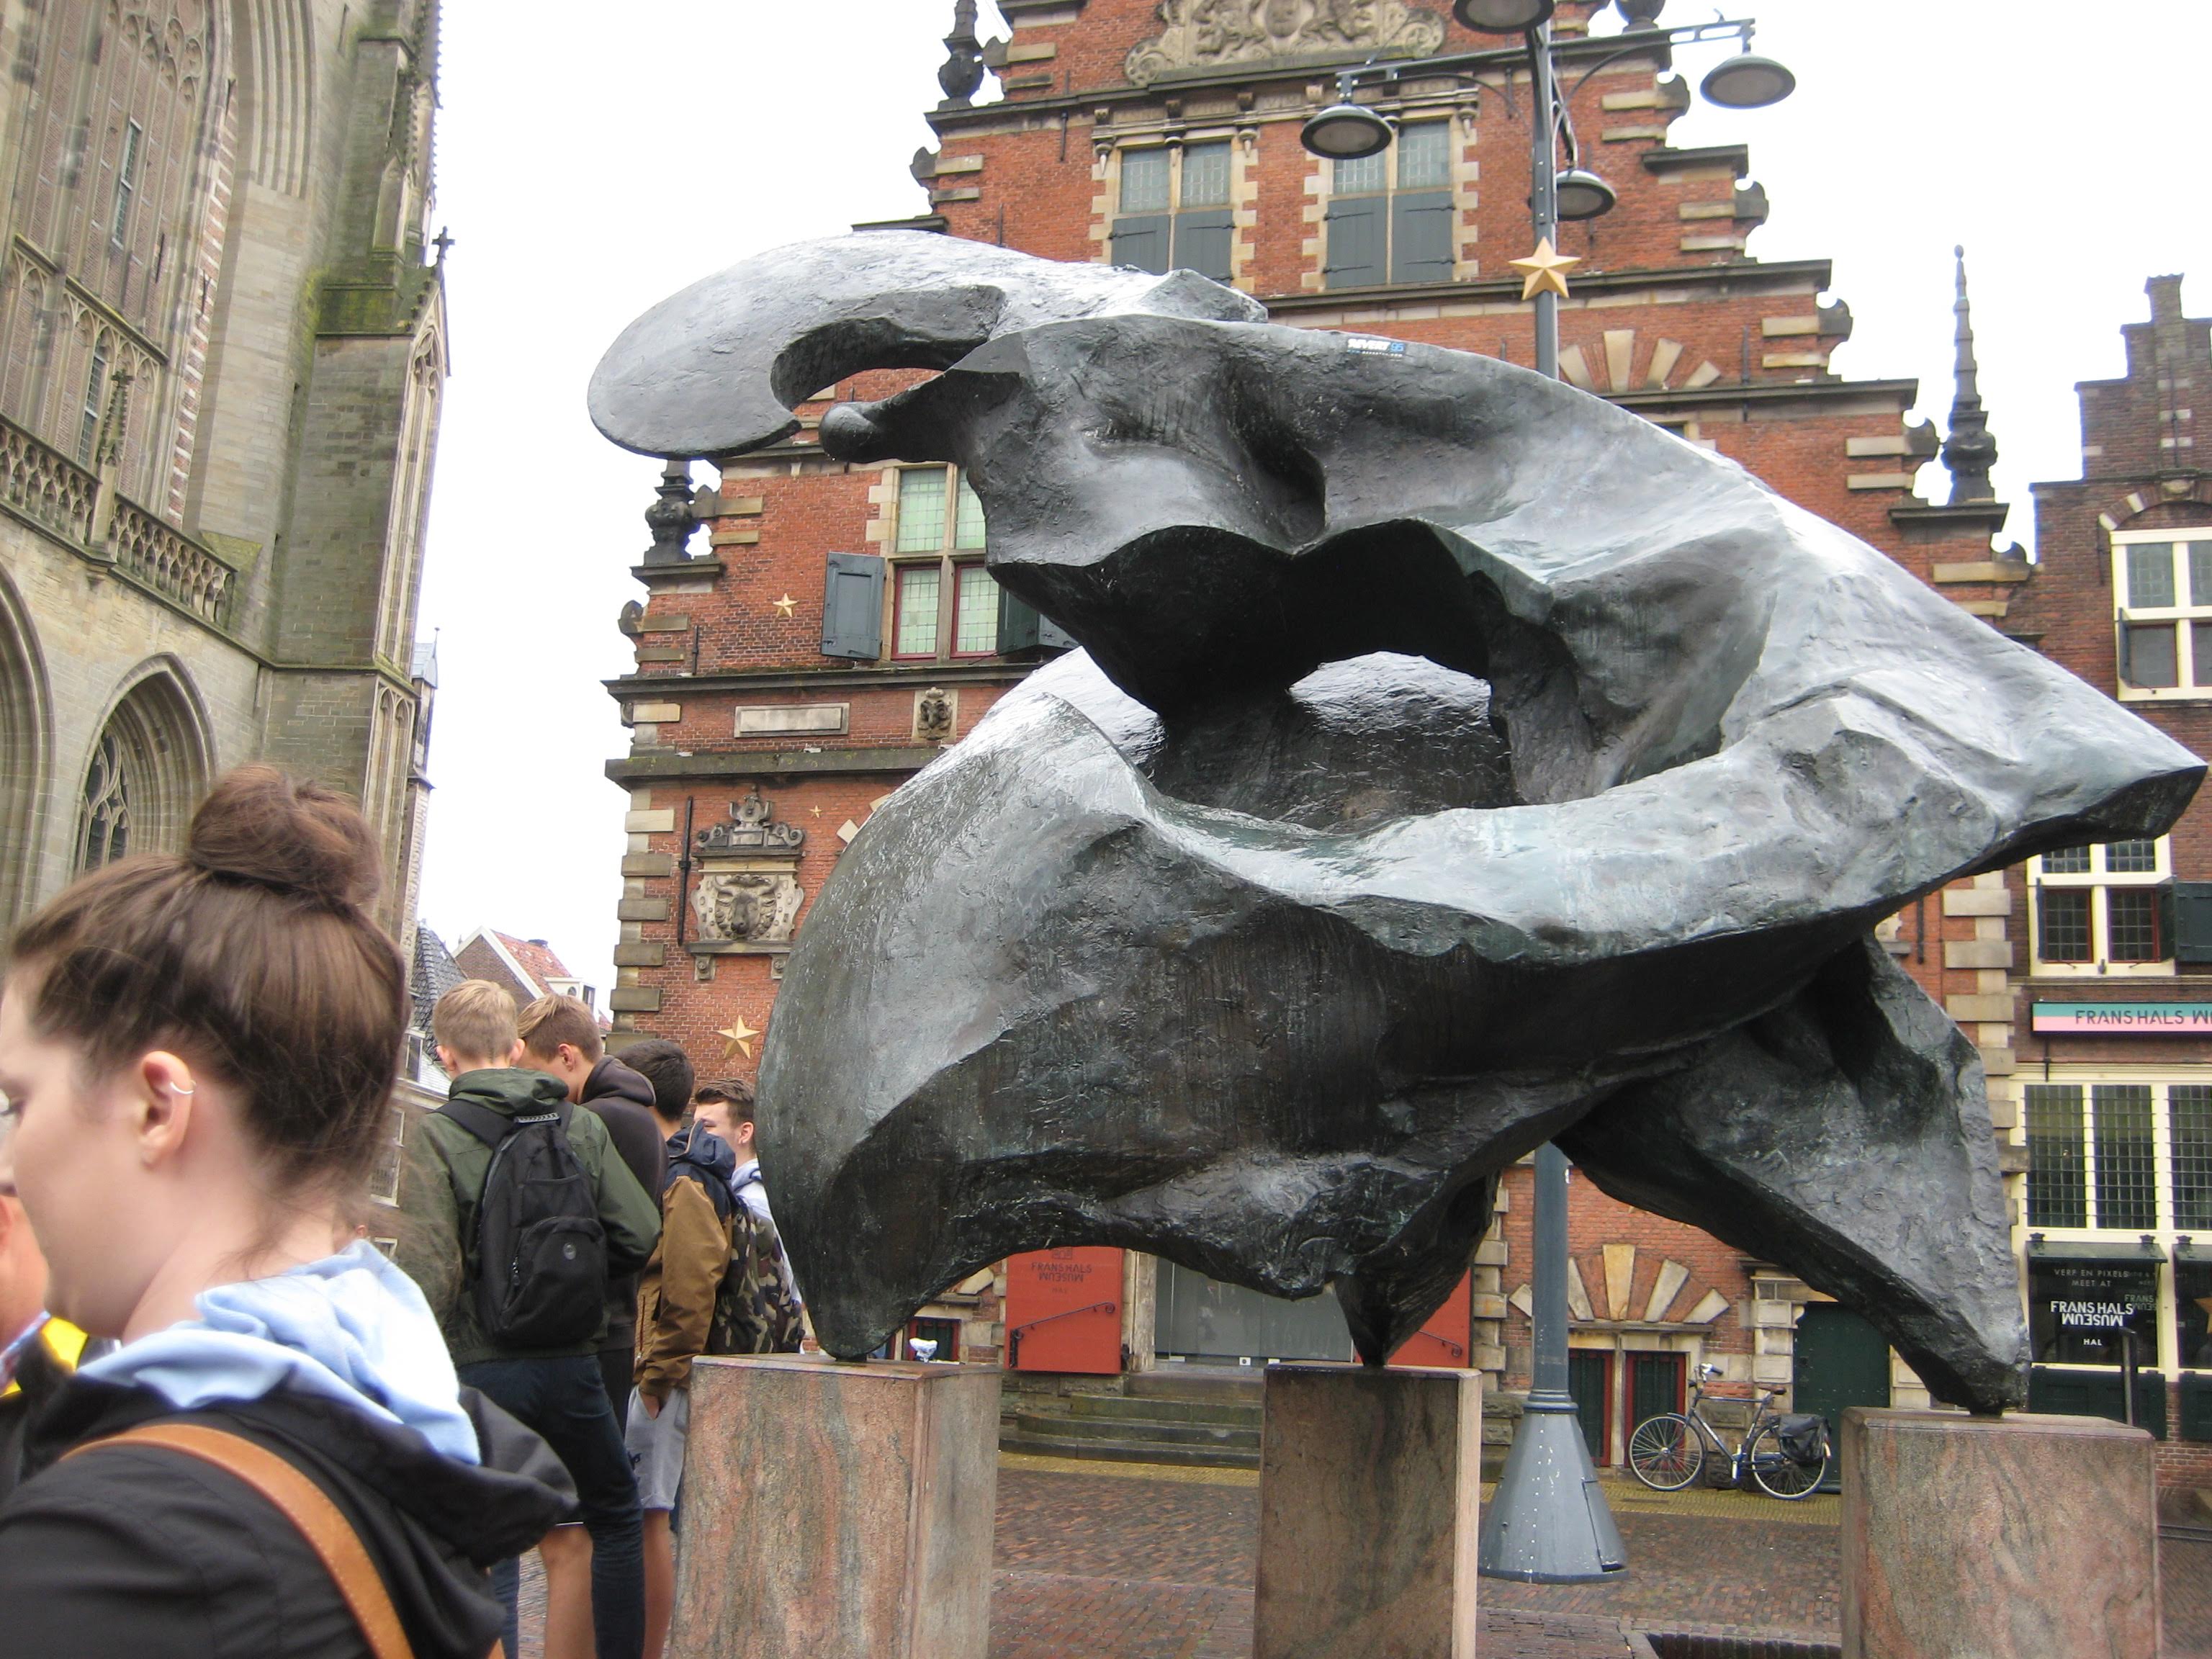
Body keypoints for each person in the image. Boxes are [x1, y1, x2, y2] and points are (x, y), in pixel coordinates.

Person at [0, 766, 575, 1658]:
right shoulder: (405, 1433)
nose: (9, 1165)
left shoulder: (112, 1558)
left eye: (19, 1101)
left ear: (156, 1109)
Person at [400, 978, 661, 1659]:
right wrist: (573, 1284)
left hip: (481, 1364)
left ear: (445, 1055)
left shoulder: (438, 1134)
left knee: (491, 1535)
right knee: (613, 1515)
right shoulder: (579, 1125)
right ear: (516, 1048)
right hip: (573, 1361)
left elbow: (430, 1273)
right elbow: (638, 1231)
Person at [519, 994, 665, 1429]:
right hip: (614, 1325)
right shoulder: (638, 1115)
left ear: (567, 1056)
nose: (531, 1088)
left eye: (533, 1072)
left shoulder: (593, 1123)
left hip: (589, 1331)